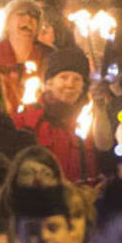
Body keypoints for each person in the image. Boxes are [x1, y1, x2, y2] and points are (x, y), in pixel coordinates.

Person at [12, 46, 111, 184]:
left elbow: (105, 147)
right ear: (49, 83)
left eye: (76, 79)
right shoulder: (28, 119)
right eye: (63, 77)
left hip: (81, 202)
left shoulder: (90, 121)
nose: (70, 84)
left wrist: (100, 108)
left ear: (83, 86)